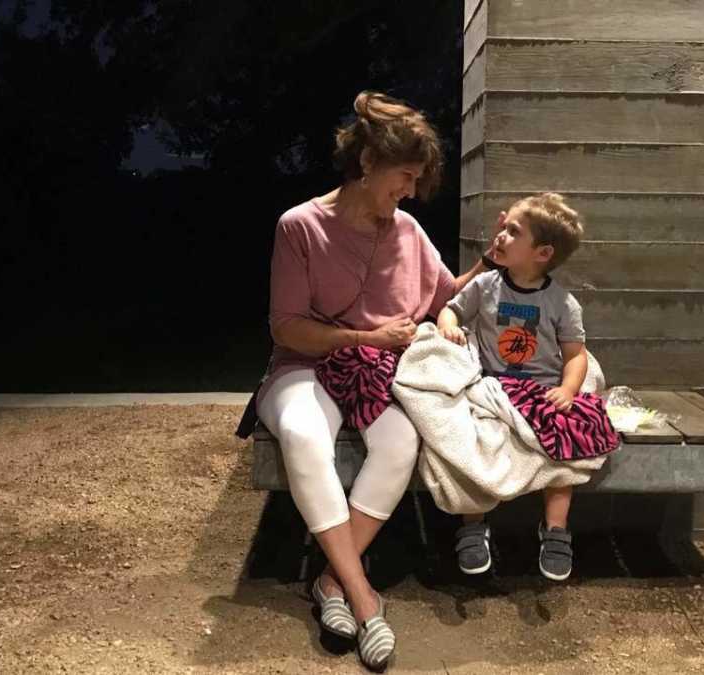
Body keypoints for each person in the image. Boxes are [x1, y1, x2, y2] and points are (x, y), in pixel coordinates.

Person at [246, 91, 492, 670]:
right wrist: (365, 338)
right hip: (305, 367)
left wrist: (497, 261)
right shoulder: (300, 226)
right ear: (366, 164)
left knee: (401, 440)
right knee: (305, 434)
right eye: (404, 177)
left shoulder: (407, 230)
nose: (407, 191)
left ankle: (331, 582)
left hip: (377, 372)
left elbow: (448, 295)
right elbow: (287, 328)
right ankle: (365, 597)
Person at [437, 192, 618, 581]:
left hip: (541, 390)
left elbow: (576, 356)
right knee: (475, 440)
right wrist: (449, 324)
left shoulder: (562, 303)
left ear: (542, 253)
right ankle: (473, 524)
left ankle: (555, 529)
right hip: (493, 388)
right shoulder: (485, 285)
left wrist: (569, 391)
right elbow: (451, 308)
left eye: (513, 231)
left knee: (565, 440)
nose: (500, 236)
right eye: (503, 228)